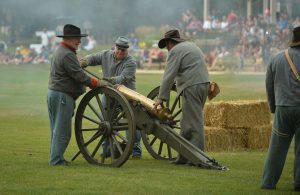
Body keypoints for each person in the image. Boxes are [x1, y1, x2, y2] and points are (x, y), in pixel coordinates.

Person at [47, 24, 110, 166]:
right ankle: (56, 161)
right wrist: (97, 83)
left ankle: (56, 158)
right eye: (77, 38)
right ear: (69, 38)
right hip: (62, 95)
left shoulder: (62, 51)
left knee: (57, 129)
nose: (79, 41)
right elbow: (79, 76)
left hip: (56, 93)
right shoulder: (67, 54)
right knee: (62, 131)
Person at [153, 29, 210, 165]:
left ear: (169, 42)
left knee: (194, 123)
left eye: (166, 45)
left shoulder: (175, 51)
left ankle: (197, 158)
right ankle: (183, 157)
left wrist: (160, 98)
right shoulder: (191, 46)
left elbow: (169, 75)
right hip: (203, 85)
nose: (166, 48)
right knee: (186, 123)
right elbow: (189, 68)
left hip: (192, 86)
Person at [80, 36, 142, 158]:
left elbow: (123, 78)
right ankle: (106, 149)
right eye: (118, 49)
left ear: (127, 51)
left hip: (127, 96)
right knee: (106, 122)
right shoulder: (105, 55)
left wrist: (109, 80)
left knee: (133, 123)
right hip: (109, 95)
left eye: (123, 50)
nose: (119, 52)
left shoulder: (131, 62)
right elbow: (93, 58)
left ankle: (135, 150)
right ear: (115, 47)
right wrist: (85, 61)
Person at [261, 26, 300, 191]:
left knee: (276, 148)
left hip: (283, 107)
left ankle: (268, 183)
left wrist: (273, 107)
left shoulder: (276, 58)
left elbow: (269, 85)